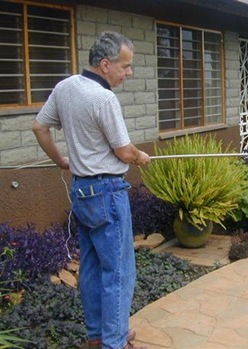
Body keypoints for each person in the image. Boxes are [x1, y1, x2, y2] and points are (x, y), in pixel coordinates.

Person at [32, 31, 150, 349]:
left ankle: (98, 336)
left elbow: (39, 127)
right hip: (108, 192)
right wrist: (141, 156)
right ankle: (113, 342)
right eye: (125, 66)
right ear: (105, 64)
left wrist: (61, 160)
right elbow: (125, 152)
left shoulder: (66, 87)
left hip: (82, 191)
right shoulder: (103, 98)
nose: (129, 73)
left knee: (93, 267)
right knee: (118, 270)